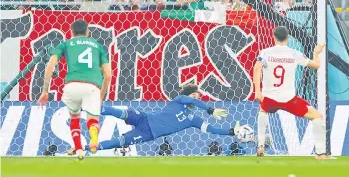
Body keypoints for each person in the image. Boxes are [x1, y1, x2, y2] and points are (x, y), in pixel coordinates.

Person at [68, 84, 240, 154]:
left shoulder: (193, 119)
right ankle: (84, 107)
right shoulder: (180, 100)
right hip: (145, 118)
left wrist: (231, 131)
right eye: (195, 95)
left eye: (198, 97)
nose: (197, 99)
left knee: (119, 142)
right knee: (122, 112)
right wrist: (210, 109)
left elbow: (212, 130)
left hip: (148, 133)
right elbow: (190, 99)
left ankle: (80, 148)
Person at [37, 19, 111, 160]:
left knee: (74, 117)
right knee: (92, 119)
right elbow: (108, 75)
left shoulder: (65, 44)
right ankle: (93, 136)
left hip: (72, 86)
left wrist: (45, 90)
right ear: (88, 32)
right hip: (92, 86)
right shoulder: (97, 46)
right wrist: (101, 95)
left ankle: (78, 150)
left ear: (71, 32)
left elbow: (50, 66)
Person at [253, 26, 330, 159]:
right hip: (289, 100)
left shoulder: (265, 52)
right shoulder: (294, 53)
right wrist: (316, 53)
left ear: (273, 37)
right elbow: (316, 66)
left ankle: (260, 145)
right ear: (288, 38)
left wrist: (258, 92)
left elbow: (256, 68)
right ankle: (320, 153)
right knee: (317, 117)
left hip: (270, 99)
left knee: (263, 110)